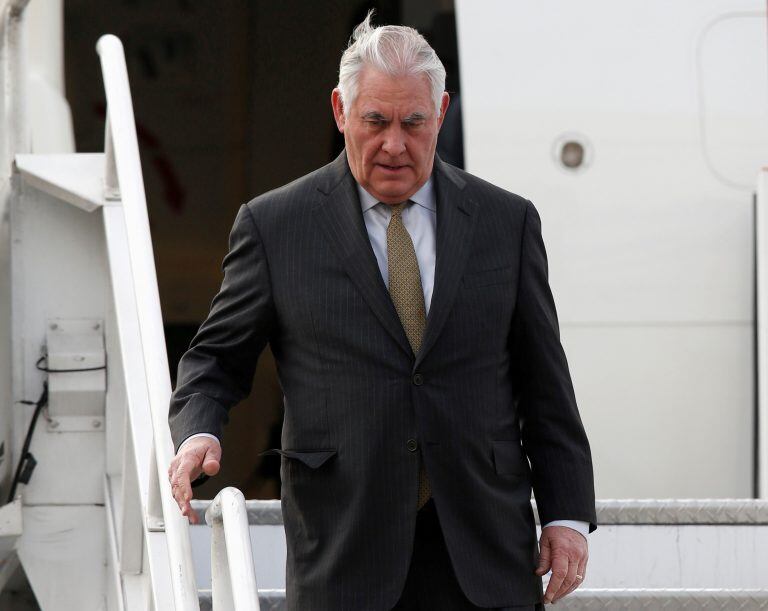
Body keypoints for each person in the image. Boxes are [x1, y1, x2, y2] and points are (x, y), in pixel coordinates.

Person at [168, 12, 596, 611]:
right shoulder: (275, 226)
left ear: (441, 113)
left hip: (483, 549)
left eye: (413, 122)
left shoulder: (507, 222)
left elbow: (545, 379)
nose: (394, 143)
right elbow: (214, 358)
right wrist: (199, 433)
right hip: (345, 548)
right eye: (375, 121)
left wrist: (568, 512)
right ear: (341, 111)